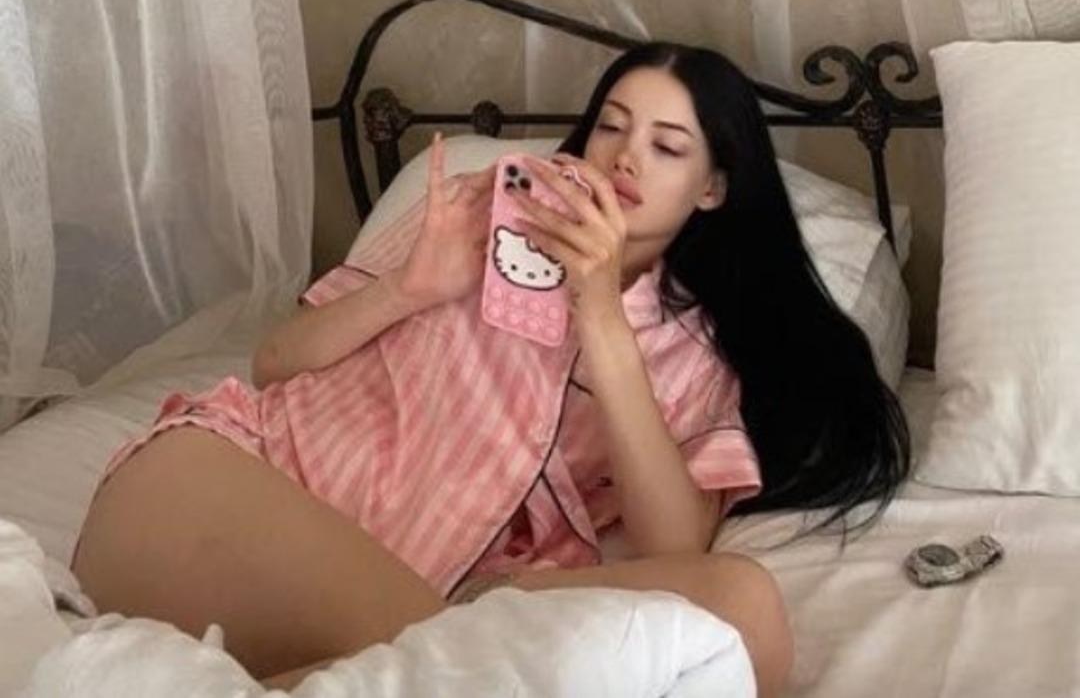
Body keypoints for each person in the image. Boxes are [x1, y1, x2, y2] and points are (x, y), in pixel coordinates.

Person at [71, 42, 909, 695]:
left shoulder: (694, 353)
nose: (625, 157)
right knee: (457, 663)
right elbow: (273, 361)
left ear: (712, 189)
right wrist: (408, 288)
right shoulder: (478, 215)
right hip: (217, 488)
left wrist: (600, 312)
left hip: (419, 600)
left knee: (743, 609)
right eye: (612, 126)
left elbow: (673, 546)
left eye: (666, 146)